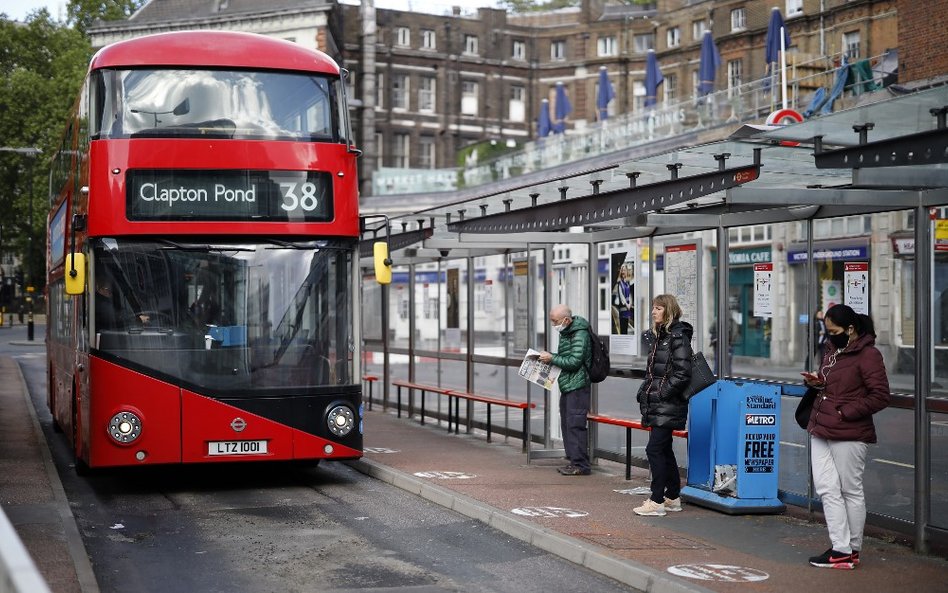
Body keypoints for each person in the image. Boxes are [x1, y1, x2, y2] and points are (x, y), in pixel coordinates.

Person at [801, 304, 890, 570]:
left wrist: (845, 412)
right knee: (827, 489)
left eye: (834, 331)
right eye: (827, 332)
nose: (829, 336)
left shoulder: (868, 355)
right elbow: (836, 384)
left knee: (850, 490)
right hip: (820, 426)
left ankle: (852, 549)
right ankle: (840, 548)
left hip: (849, 430)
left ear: (850, 329)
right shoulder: (832, 350)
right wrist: (817, 383)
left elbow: (880, 395)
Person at [634, 294, 693, 516]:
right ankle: (673, 497)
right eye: (653, 308)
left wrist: (662, 393)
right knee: (664, 449)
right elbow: (654, 372)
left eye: (658, 308)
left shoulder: (677, 337)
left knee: (654, 449)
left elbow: (682, 373)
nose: (653, 312)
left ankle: (657, 500)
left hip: (667, 403)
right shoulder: (661, 336)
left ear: (668, 311)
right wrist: (645, 391)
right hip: (659, 402)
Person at [538, 304, 592, 476]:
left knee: (575, 424)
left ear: (566, 320)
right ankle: (573, 461)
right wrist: (551, 357)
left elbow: (574, 361)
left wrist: (552, 358)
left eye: (555, 321)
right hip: (568, 384)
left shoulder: (580, 333)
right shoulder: (567, 332)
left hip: (577, 385)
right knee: (568, 424)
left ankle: (580, 465)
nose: (554, 325)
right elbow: (567, 357)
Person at [612, 264, 634, 335]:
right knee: (623, 327)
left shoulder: (627, 283)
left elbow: (630, 294)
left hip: (628, 307)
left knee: (626, 327)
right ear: (621, 272)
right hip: (623, 307)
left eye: (624, 270)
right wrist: (626, 304)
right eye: (622, 270)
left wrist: (630, 303)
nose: (623, 271)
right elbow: (621, 295)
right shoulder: (619, 283)